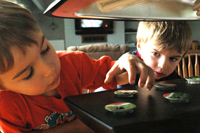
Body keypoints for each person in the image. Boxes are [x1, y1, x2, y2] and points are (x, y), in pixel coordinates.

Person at [0, 0, 153, 132]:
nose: (49, 69)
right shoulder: (5, 104)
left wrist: (128, 60)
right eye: (28, 74)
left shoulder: (73, 63)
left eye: (45, 49)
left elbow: (116, 75)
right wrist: (79, 127)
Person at [106, 21, 193, 86]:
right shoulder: (126, 67)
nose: (163, 66)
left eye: (173, 59)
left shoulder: (171, 77)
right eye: (155, 53)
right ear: (139, 47)